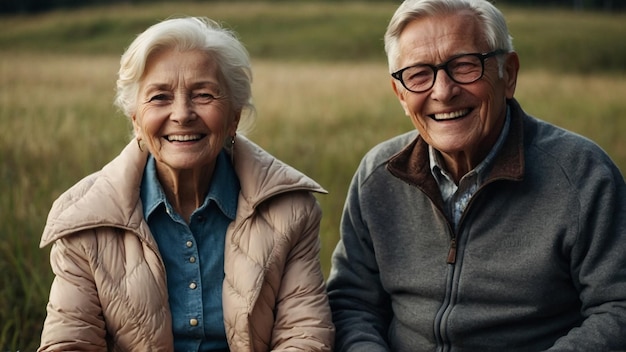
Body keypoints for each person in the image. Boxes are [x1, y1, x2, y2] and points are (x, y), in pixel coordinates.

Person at [326, 0, 626, 351]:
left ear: (508, 74)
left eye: (465, 65)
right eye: (419, 74)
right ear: (401, 95)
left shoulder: (583, 175)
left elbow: (617, 308)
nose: (442, 91)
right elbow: (352, 303)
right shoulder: (377, 176)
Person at [38, 16, 334, 351]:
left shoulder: (291, 210)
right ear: (135, 119)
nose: (182, 114)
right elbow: (70, 343)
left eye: (203, 94)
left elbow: (304, 336)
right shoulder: (85, 219)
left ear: (234, 116)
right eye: (160, 97)